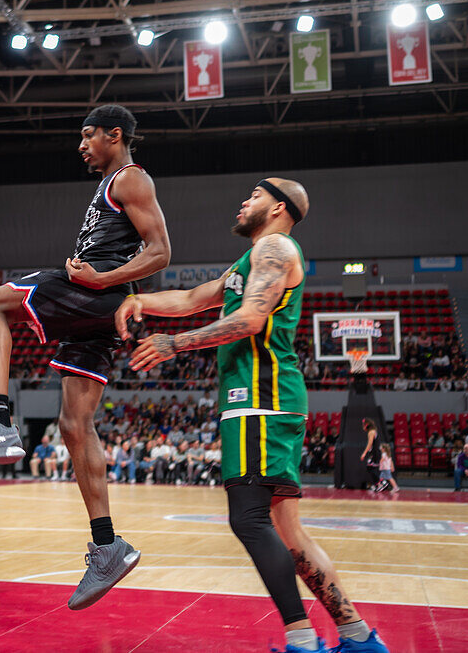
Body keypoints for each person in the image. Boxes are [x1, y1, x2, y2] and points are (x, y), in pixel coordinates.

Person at [118, 178, 387, 653]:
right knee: (288, 532)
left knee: (248, 518)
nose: (245, 202)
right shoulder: (253, 257)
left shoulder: (276, 248)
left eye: (255, 196)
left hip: (259, 397)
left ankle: (301, 638)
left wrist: (172, 344)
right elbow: (192, 298)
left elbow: (250, 320)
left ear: (278, 207)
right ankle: (357, 635)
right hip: (267, 400)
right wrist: (139, 300)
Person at [0, 104, 169, 610]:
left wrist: (99, 279)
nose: (81, 144)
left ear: (116, 134)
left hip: (98, 294)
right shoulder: (110, 183)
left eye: (88, 135)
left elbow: (160, 253)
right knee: (73, 425)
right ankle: (108, 546)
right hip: (98, 308)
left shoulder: (131, 179)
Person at [359, 419, 381, 489]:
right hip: (374, 452)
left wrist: (364, 453)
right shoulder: (373, 431)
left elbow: (370, 444)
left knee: (370, 468)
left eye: (363, 425)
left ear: (367, 425)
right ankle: (378, 483)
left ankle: (379, 483)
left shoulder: (371, 432)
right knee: (371, 468)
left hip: (374, 453)